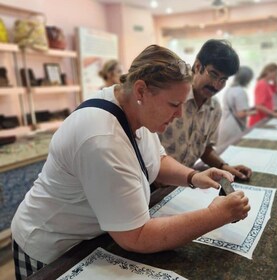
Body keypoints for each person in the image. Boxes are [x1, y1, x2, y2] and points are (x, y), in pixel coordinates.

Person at [11, 45, 250, 279]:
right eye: (174, 105)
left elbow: (156, 159)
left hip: (93, 236)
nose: (179, 114)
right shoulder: (102, 139)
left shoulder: (135, 109)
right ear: (141, 91)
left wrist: (192, 177)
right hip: (53, 247)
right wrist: (215, 216)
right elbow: (136, 237)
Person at [158, 39, 252, 181]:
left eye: (223, 80)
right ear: (197, 66)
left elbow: (205, 149)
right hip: (154, 182)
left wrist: (224, 166)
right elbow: (144, 143)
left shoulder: (214, 109)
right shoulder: (170, 97)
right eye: (213, 74)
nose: (216, 85)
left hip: (185, 181)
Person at [217, 66, 256, 151]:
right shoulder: (240, 91)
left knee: (222, 152)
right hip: (234, 128)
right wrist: (254, 112)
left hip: (225, 124)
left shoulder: (229, 89)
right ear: (247, 79)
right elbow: (240, 114)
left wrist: (249, 109)